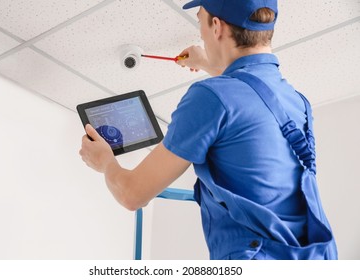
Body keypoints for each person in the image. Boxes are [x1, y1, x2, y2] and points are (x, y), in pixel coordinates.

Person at [80, 0, 338, 260]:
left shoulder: (210, 96)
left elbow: (132, 195)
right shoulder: (297, 102)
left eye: (200, 21)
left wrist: (106, 162)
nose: (201, 33)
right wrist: (210, 63)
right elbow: (250, 95)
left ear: (217, 27)